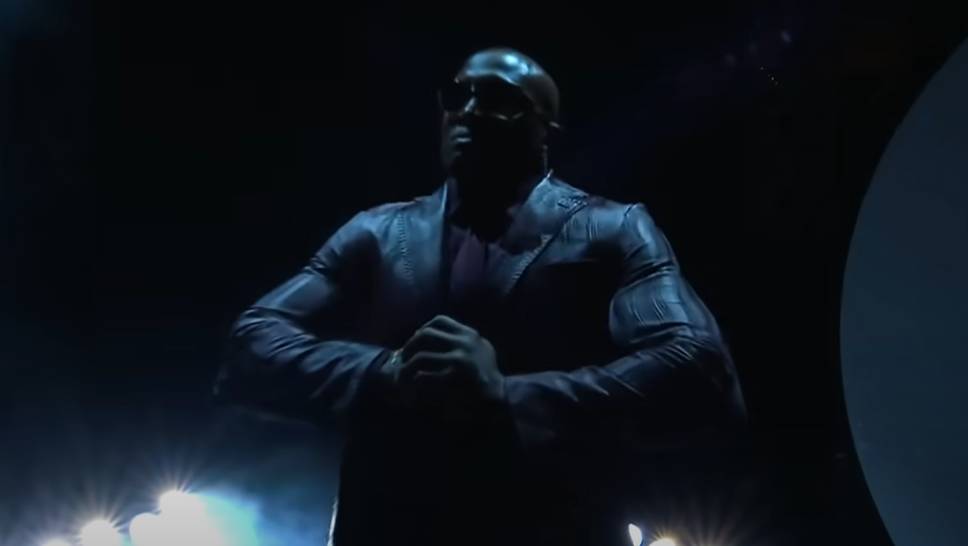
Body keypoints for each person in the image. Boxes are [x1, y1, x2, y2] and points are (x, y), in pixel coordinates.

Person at [215, 47, 747, 546]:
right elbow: (250, 344)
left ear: (545, 130)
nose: (468, 112)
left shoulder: (613, 228)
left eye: (499, 100)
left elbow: (700, 369)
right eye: (457, 96)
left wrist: (506, 396)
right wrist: (386, 373)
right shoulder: (375, 232)